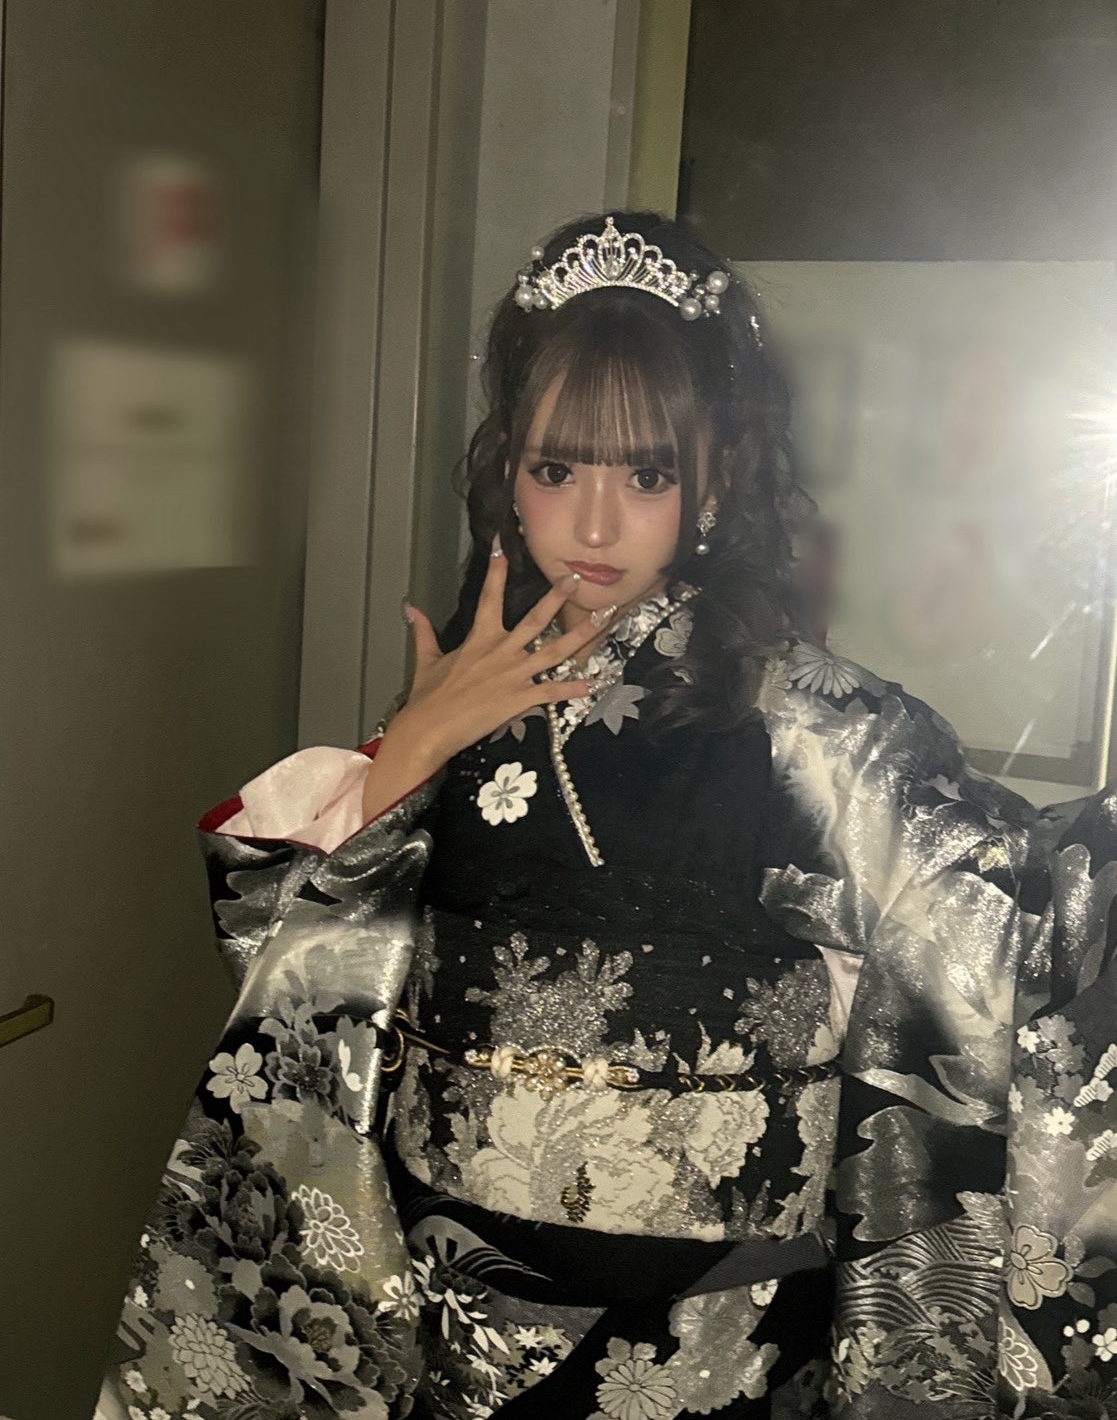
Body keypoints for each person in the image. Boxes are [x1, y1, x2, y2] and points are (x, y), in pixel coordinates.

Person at [98, 214, 1117, 1420]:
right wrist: (409, 751)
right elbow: (285, 965)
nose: (591, 524)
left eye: (645, 475)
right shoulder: (463, 695)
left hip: (718, 1326)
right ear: (506, 470)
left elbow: (1009, 925)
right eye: (554, 469)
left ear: (717, 477)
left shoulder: (819, 726)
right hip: (450, 1300)